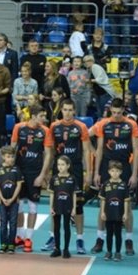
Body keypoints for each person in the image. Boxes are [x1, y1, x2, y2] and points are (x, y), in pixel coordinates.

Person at [91, 97, 138, 255]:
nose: (116, 115)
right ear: (110, 110)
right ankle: (100, 239)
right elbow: (99, 149)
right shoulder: (103, 124)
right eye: (114, 112)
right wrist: (96, 172)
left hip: (124, 166)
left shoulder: (131, 124)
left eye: (119, 112)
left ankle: (129, 241)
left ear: (123, 111)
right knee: (103, 204)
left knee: (127, 205)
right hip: (106, 166)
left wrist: (134, 174)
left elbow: (136, 150)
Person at [44, 100, 91, 254]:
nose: (68, 113)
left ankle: (80, 239)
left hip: (75, 168)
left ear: (74, 111)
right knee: (56, 205)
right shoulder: (54, 126)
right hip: (58, 167)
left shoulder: (81, 127)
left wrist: (88, 172)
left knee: (78, 205)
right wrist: (47, 171)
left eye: (70, 110)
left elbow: (86, 151)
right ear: (61, 111)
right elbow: (50, 152)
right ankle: (53, 237)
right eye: (65, 110)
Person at [11, 105, 53, 253]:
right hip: (19, 171)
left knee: (33, 206)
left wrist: (42, 175)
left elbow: (48, 154)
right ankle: (20, 236)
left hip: (35, 172)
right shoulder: (19, 128)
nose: (44, 119)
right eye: (42, 116)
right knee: (19, 206)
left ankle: (29, 238)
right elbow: (12, 149)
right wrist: (11, 172)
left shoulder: (45, 131)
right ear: (33, 116)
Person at [0, 145, 23, 254]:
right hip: (2, 201)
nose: (11, 159)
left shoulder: (16, 170)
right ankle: (3, 244)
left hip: (14, 201)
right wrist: (1, 198)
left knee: (13, 223)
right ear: (3, 157)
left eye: (12, 157)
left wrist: (13, 198)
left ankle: (11, 244)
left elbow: (19, 185)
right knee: (3, 223)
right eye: (8, 157)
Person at [99, 160, 130, 262]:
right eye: (112, 171)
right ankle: (109, 252)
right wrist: (102, 212)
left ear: (120, 172)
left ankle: (118, 252)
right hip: (108, 213)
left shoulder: (123, 185)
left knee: (118, 233)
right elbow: (103, 200)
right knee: (109, 233)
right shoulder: (106, 184)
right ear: (109, 172)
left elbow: (126, 201)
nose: (114, 173)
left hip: (118, 213)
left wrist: (125, 213)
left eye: (117, 171)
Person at [48, 155, 77, 259]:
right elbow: (52, 194)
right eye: (58, 164)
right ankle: (57, 249)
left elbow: (74, 194)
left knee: (66, 227)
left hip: (67, 206)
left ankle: (66, 249)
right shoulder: (54, 178)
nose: (60, 167)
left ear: (68, 166)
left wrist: (74, 208)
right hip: (57, 205)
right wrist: (51, 207)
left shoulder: (72, 179)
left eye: (63, 164)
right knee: (56, 227)